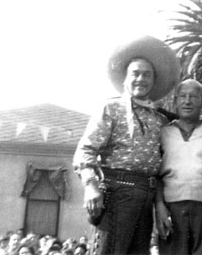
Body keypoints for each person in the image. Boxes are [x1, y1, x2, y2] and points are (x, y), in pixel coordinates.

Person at [73, 35, 179, 255]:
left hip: (146, 198)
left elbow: (160, 169)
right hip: (116, 194)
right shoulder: (111, 109)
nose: (141, 79)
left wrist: (159, 204)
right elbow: (85, 151)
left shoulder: (160, 120)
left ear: (153, 80)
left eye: (146, 75)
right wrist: (91, 186)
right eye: (136, 74)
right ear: (125, 78)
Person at [155, 79, 202, 255]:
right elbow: (156, 176)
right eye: (182, 96)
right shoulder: (163, 133)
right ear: (175, 101)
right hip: (171, 210)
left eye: (193, 97)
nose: (187, 101)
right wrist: (159, 206)